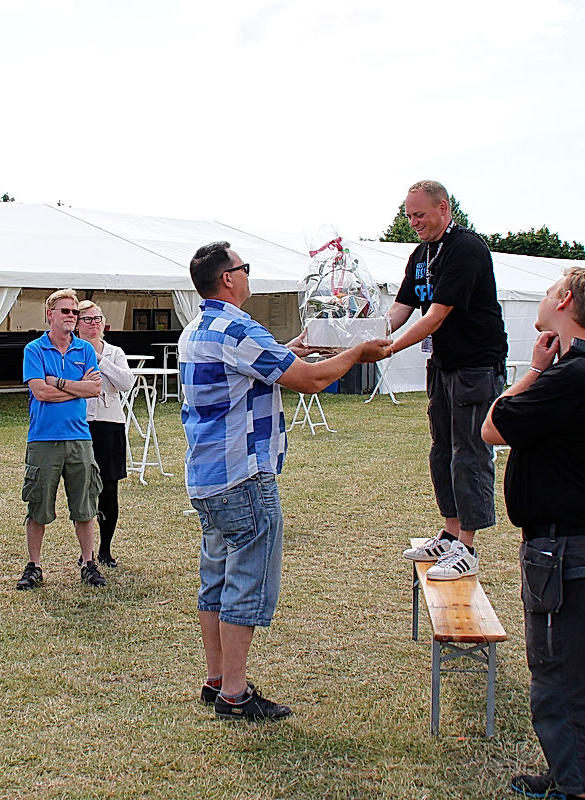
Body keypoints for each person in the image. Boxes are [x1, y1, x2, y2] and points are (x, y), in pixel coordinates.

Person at [180, 242, 390, 721]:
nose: (249, 274)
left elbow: (253, 369)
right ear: (228, 279)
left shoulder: (199, 328)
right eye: (244, 268)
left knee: (215, 579)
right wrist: (355, 350)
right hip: (244, 476)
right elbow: (313, 382)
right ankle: (235, 694)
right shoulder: (238, 327)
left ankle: (216, 680)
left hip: (209, 477)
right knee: (246, 584)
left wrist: (292, 349)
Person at [481, 267, 585, 799]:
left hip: (567, 551)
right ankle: (574, 774)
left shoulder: (570, 376)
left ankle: (578, 787)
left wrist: (533, 370)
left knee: (563, 675)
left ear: (567, 301)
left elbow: (493, 425)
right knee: (575, 668)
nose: (544, 299)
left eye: (550, 292)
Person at [389, 180, 507, 580]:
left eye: (419, 214)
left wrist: (389, 350)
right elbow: (401, 308)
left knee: (469, 452)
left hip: (475, 365)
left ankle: (468, 548)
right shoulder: (421, 254)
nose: (413, 222)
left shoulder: (467, 248)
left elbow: (437, 314)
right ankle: (450, 533)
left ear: (443, 208)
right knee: (442, 449)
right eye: (408, 215)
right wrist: (363, 335)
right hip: (441, 365)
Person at [16, 289, 106, 590]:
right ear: (49, 314)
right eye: (65, 311)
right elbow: (40, 392)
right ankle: (34, 565)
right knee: (38, 505)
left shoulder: (85, 350)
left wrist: (60, 382)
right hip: (43, 439)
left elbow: (95, 390)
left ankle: (88, 562)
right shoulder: (34, 350)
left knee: (85, 506)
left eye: (74, 312)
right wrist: (76, 387)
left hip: (79, 437)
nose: (71, 316)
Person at [74, 300, 134, 567]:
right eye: (87, 319)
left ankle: (105, 549)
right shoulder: (71, 351)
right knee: (84, 489)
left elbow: (125, 383)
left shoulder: (115, 352)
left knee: (109, 488)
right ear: (77, 325)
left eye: (97, 318)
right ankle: (85, 551)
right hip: (82, 422)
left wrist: (101, 362)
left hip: (110, 424)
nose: (93, 323)